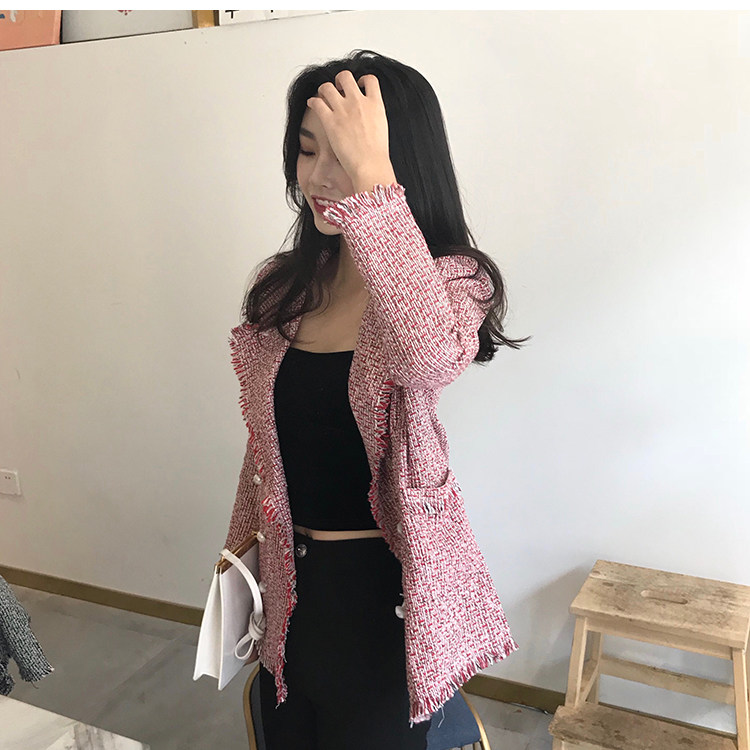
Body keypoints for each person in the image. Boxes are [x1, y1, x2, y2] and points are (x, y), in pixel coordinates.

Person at [224, 48, 528, 750]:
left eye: (347, 154)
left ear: (397, 164)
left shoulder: (456, 280)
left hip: (385, 596)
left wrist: (373, 192)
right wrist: (239, 557)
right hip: (290, 586)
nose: (319, 177)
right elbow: (263, 444)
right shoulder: (283, 286)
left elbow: (427, 355)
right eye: (307, 151)